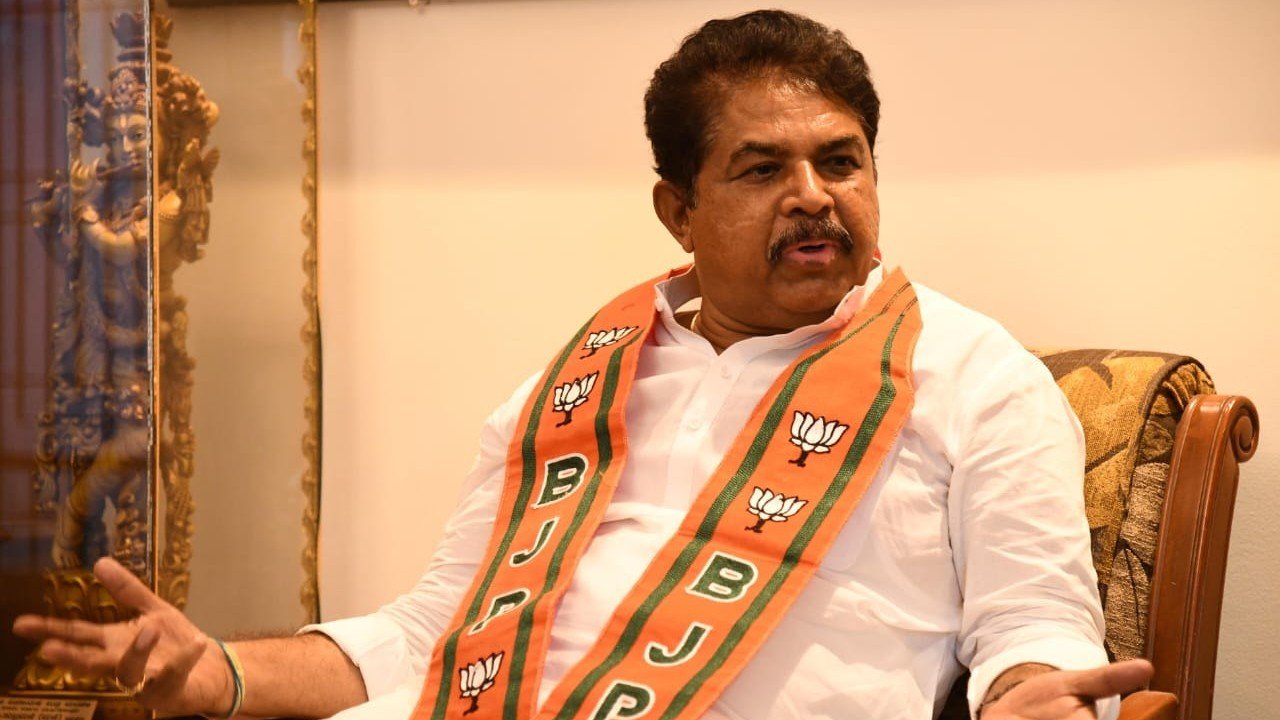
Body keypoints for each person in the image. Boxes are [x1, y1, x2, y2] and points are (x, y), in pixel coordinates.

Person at [14, 10, 1154, 720]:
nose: (814, 197)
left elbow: (1033, 627)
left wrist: (1031, 696)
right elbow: (433, 633)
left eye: (840, 162)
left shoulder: (972, 376)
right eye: (762, 169)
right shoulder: (577, 385)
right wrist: (222, 674)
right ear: (678, 210)